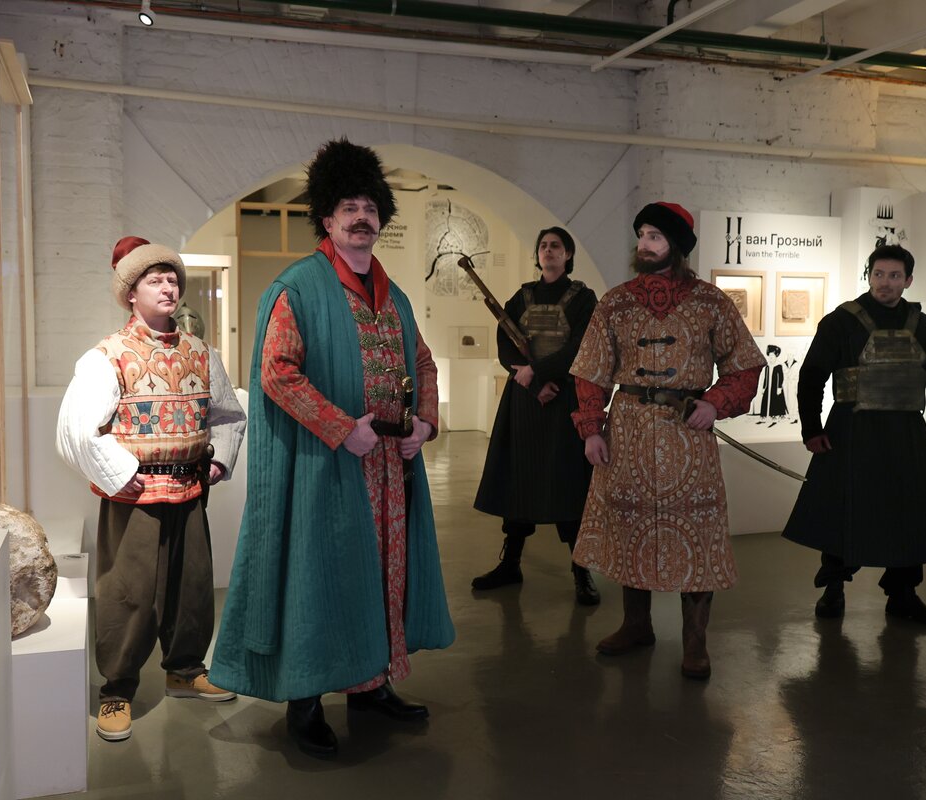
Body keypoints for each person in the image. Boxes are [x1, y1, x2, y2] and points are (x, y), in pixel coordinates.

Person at [210, 140, 454, 759]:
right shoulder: (298, 287)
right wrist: (343, 428)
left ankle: (371, 685)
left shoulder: (394, 296)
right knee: (319, 576)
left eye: (370, 207)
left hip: (391, 471)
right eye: (349, 207)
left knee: (382, 577)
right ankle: (307, 699)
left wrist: (425, 423)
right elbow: (277, 372)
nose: (361, 217)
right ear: (326, 217)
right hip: (328, 467)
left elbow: (423, 362)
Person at [56, 237, 246, 742]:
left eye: (172, 279)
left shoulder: (201, 353)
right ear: (130, 292)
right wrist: (119, 472)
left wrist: (219, 459)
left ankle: (184, 670)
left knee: (192, 586)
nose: (168, 287)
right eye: (154, 280)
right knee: (128, 592)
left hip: (190, 490)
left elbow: (228, 413)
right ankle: (117, 688)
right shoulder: (108, 356)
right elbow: (76, 428)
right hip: (136, 495)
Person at [569, 202, 764, 679]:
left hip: (687, 432)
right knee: (629, 527)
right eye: (641, 235)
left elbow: (744, 364)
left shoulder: (711, 302)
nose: (644, 244)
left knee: (697, 532)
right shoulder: (615, 302)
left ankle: (695, 643)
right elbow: (591, 368)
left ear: (675, 245)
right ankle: (636, 625)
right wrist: (591, 427)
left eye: (654, 236)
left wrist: (715, 403)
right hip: (628, 430)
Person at [782, 244, 926, 627]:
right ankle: (833, 589)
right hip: (852, 430)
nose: (885, 283)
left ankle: (903, 595)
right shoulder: (840, 322)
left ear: (908, 280)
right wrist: (812, 428)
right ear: (869, 275)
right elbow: (812, 376)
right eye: (878, 274)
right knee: (845, 508)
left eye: (894, 276)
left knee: (909, 510)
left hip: (905, 433)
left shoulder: (921, 324)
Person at [472, 226, 600, 605]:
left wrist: (540, 373)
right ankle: (510, 564)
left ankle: (581, 571)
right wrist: (531, 382)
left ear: (568, 254)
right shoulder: (522, 296)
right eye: (543, 245)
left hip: (564, 398)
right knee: (519, 479)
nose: (548, 250)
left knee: (568, 483)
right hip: (526, 400)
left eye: (556, 246)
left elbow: (580, 346)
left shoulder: (583, 299)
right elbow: (505, 341)